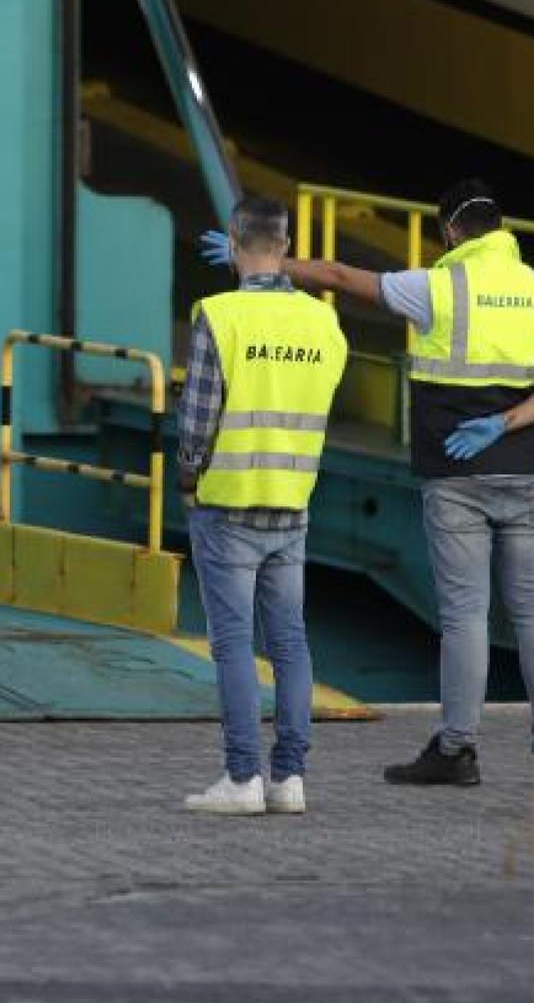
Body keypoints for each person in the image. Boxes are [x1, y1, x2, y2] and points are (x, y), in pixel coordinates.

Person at [206, 178, 534, 786]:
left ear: (450, 232)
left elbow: (338, 278)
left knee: (465, 615)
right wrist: (505, 423)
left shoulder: (438, 285)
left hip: (456, 475)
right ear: (500, 229)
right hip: (525, 468)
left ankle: (457, 749)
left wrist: (267, 260)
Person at [181, 197, 349, 816]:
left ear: (232, 241)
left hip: (228, 505)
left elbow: (196, 421)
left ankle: (242, 777)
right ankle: (290, 779)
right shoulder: (323, 324)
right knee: (291, 643)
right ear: (285, 245)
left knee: (232, 645)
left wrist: (187, 477)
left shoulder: (219, 316)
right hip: (292, 504)